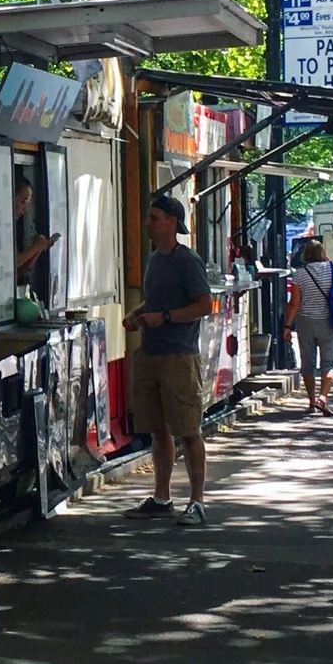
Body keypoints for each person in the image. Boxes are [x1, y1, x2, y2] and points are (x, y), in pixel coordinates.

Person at [129, 193, 218, 524]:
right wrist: (137, 315)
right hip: (151, 353)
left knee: (188, 430)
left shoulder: (187, 260)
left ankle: (197, 501)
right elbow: (152, 302)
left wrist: (164, 317)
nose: (147, 223)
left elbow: (203, 305)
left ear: (171, 222)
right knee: (157, 430)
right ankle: (161, 495)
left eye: (153, 217)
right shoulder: (153, 259)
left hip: (179, 356)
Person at [284, 236, 333, 416]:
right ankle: (323, 397)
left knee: (307, 362)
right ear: (323, 253)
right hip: (328, 321)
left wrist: (287, 326)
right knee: (330, 362)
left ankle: (311, 402)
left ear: (305, 255)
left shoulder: (299, 274)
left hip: (306, 322)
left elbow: (294, 302)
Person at [12, 177, 58, 294]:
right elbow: (12, 263)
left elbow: (19, 270)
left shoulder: (13, 227)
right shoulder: (3, 227)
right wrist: (35, 248)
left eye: (27, 204)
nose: (25, 208)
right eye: (22, 202)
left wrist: (38, 249)